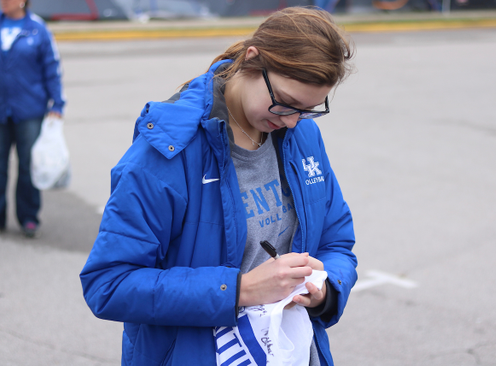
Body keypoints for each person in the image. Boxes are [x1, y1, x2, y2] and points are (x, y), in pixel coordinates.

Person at [80, 6, 357, 366]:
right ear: (252, 61)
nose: (291, 122)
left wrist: (325, 289)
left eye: (307, 109)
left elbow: (337, 242)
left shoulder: (302, 137)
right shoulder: (166, 153)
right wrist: (239, 290)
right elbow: (110, 283)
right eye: (285, 104)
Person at [0, 0, 65, 237]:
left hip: (29, 110)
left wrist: (57, 102)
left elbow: (52, 67)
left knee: (28, 166)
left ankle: (28, 216)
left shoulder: (37, 28)